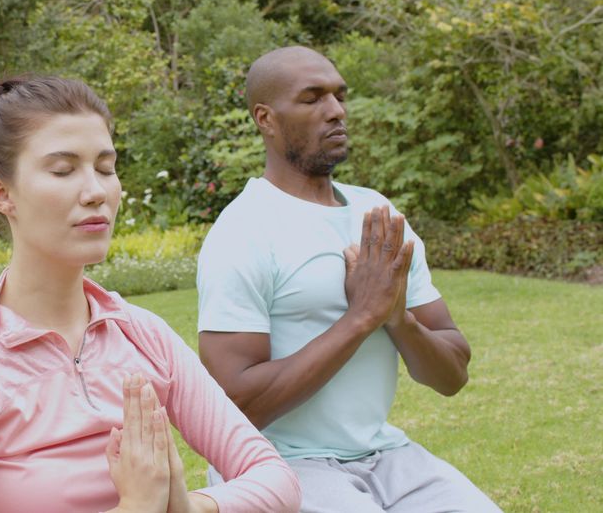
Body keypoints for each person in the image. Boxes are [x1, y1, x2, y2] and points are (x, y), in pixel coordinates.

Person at [0, 76, 301, 512]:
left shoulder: (142, 334)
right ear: (3, 194)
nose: (96, 192)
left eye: (106, 168)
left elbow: (276, 479)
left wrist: (189, 508)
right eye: (63, 170)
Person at [196, 47, 501, 512]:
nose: (336, 111)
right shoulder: (243, 232)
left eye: (339, 96)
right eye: (312, 98)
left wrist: (398, 319)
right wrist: (361, 317)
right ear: (266, 118)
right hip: (278, 464)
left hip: (387, 457)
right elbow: (237, 407)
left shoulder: (376, 214)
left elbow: (452, 373)